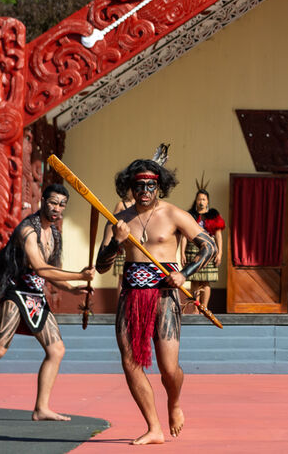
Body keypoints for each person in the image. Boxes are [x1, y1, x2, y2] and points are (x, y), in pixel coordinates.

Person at [95, 149, 215, 445]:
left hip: (164, 296)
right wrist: (115, 244)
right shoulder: (120, 220)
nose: (145, 191)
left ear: (159, 186)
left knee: (168, 369)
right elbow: (101, 264)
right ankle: (153, 427)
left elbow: (208, 246)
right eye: (138, 186)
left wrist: (185, 273)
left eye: (150, 186)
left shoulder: (174, 214)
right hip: (131, 295)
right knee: (130, 362)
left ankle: (173, 403)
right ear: (130, 188)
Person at [0, 184, 94, 423]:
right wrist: (79, 275)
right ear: (43, 202)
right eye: (53, 202)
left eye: (62, 204)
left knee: (56, 350)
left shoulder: (55, 235)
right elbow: (39, 267)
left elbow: (49, 274)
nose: (57, 208)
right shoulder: (28, 230)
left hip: (36, 296)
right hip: (16, 293)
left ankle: (41, 408)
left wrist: (73, 288)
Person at [180, 182, 224, 312]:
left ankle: (204, 307)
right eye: (199, 199)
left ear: (208, 201)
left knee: (206, 281)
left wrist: (219, 253)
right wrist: (182, 252)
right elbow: (183, 236)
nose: (201, 201)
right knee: (194, 281)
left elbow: (218, 236)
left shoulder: (213, 215)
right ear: (196, 200)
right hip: (192, 250)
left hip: (209, 250)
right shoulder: (190, 215)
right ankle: (195, 308)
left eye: (204, 199)